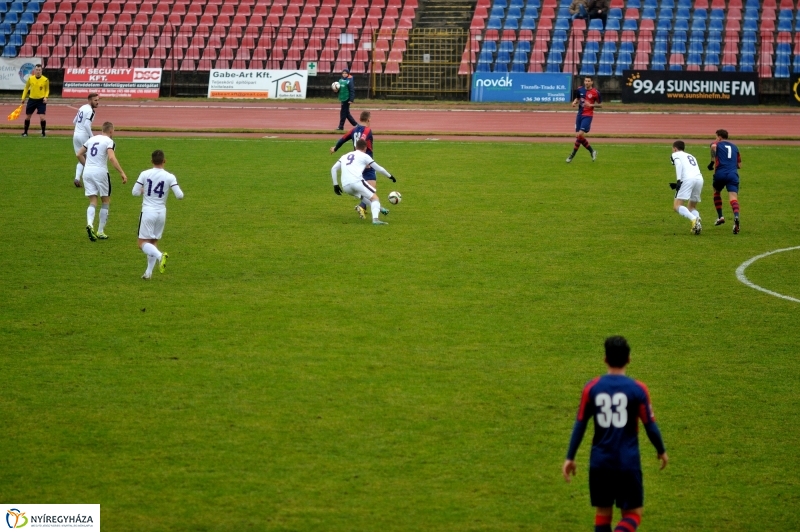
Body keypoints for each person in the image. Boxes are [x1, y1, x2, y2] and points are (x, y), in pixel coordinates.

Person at [563, 336, 668, 532]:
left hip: (600, 462)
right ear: (629, 359)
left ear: (605, 359)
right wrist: (661, 450)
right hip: (627, 461)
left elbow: (580, 424)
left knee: (603, 513)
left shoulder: (592, 388)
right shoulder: (638, 389)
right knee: (633, 514)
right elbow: (650, 426)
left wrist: (570, 456)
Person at [132, 150, 184, 280]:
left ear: (151, 161)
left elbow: (134, 192)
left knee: (141, 243)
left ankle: (160, 256)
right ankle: (148, 273)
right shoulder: (170, 176)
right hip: (161, 213)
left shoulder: (144, 174)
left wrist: (144, 191)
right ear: (164, 161)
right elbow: (180, 195)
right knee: (153, 241)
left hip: (148, 211)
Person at [330, 110, 389, 220]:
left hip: (356, 163)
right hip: (366, 162)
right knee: (371, 188)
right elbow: (362, 140)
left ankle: (367, 207)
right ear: (368, 119)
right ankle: (364, 207)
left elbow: (343, 139)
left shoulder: (353, 130)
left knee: (366, 189)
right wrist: (366, 160)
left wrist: (335, 148)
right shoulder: (367, 130)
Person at [76, 122, 128, 241]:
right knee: (105, 200)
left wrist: (87, 165)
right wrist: (122, 172)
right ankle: (100, 231)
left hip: (87, 172)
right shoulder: (109, 141)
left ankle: (90, 224)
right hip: (101, 172)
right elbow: (111, 157)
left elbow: (79, 154)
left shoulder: (92, 139)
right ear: (111, 131)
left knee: (93, 201)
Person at [330, 138, 396, 225]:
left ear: (355, 147)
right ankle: (375, 220)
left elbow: (333, 168)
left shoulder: (345, 156)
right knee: (375, 198)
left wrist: (335, 185)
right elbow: (379, 168)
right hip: (356, 182)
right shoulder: (364, 156)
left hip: (345, 186)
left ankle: (380, 208)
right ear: (365, 148)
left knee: (364, 197)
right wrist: (390, 176)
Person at [708, 129, 741, 234]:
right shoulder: (735, 147)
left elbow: (713, 146)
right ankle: (736, 216)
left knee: (716, 191)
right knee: (733, 198)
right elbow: (739, 165)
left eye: (716, 137)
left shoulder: (717, 143)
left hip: (720, 173)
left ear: (720, 137)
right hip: (732, 174)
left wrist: (712, 162)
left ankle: (720, 216)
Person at [669, 140, 703, 235]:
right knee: (691, 207)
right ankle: (697, 222)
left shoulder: (675, 155)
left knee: (677, 206)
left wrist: (679, 180)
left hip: (687, 179)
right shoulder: (691, 156)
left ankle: (694, 219)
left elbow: (679, 165)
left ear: (675, 148)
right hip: (699, 179)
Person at [567, 76, 600, 163]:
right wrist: (574, 102)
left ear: (592, 82)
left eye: (588, 81)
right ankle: (592, 151)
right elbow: (577, 98)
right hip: (579, 114)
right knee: (578, 136)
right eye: (585, 81)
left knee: (580, 134)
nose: (587, 82)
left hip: (588, 115)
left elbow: (601, 105)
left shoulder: (595, 92)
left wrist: (591, 105)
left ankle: (572, 155)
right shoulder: (580, 89)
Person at [72, 93, 100, 188]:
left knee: (81, 158)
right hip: (84, 136)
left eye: (98, 100)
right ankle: (93, 179)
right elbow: (87, 125)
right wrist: (92, 137)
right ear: (90, 100)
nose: (97, 102)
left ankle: (77, 178)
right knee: (90, 160)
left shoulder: (82, 107)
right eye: (95, 100)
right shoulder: (91, 111)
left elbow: (74, 121)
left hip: (76, 135)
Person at [20, 64, 49, 137]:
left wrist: (46, 97)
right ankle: (25, 132)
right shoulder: (30, 79)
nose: (38, 71)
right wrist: (23, 98)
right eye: (36, 70)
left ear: (41, 71)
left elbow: (47, 90)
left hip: (41, 100)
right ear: (34, 71)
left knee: (42, 117)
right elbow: (26, 88)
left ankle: (43, 133)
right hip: (32, 100)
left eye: (39, 70)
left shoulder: (45, 80)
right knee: (27, 117)